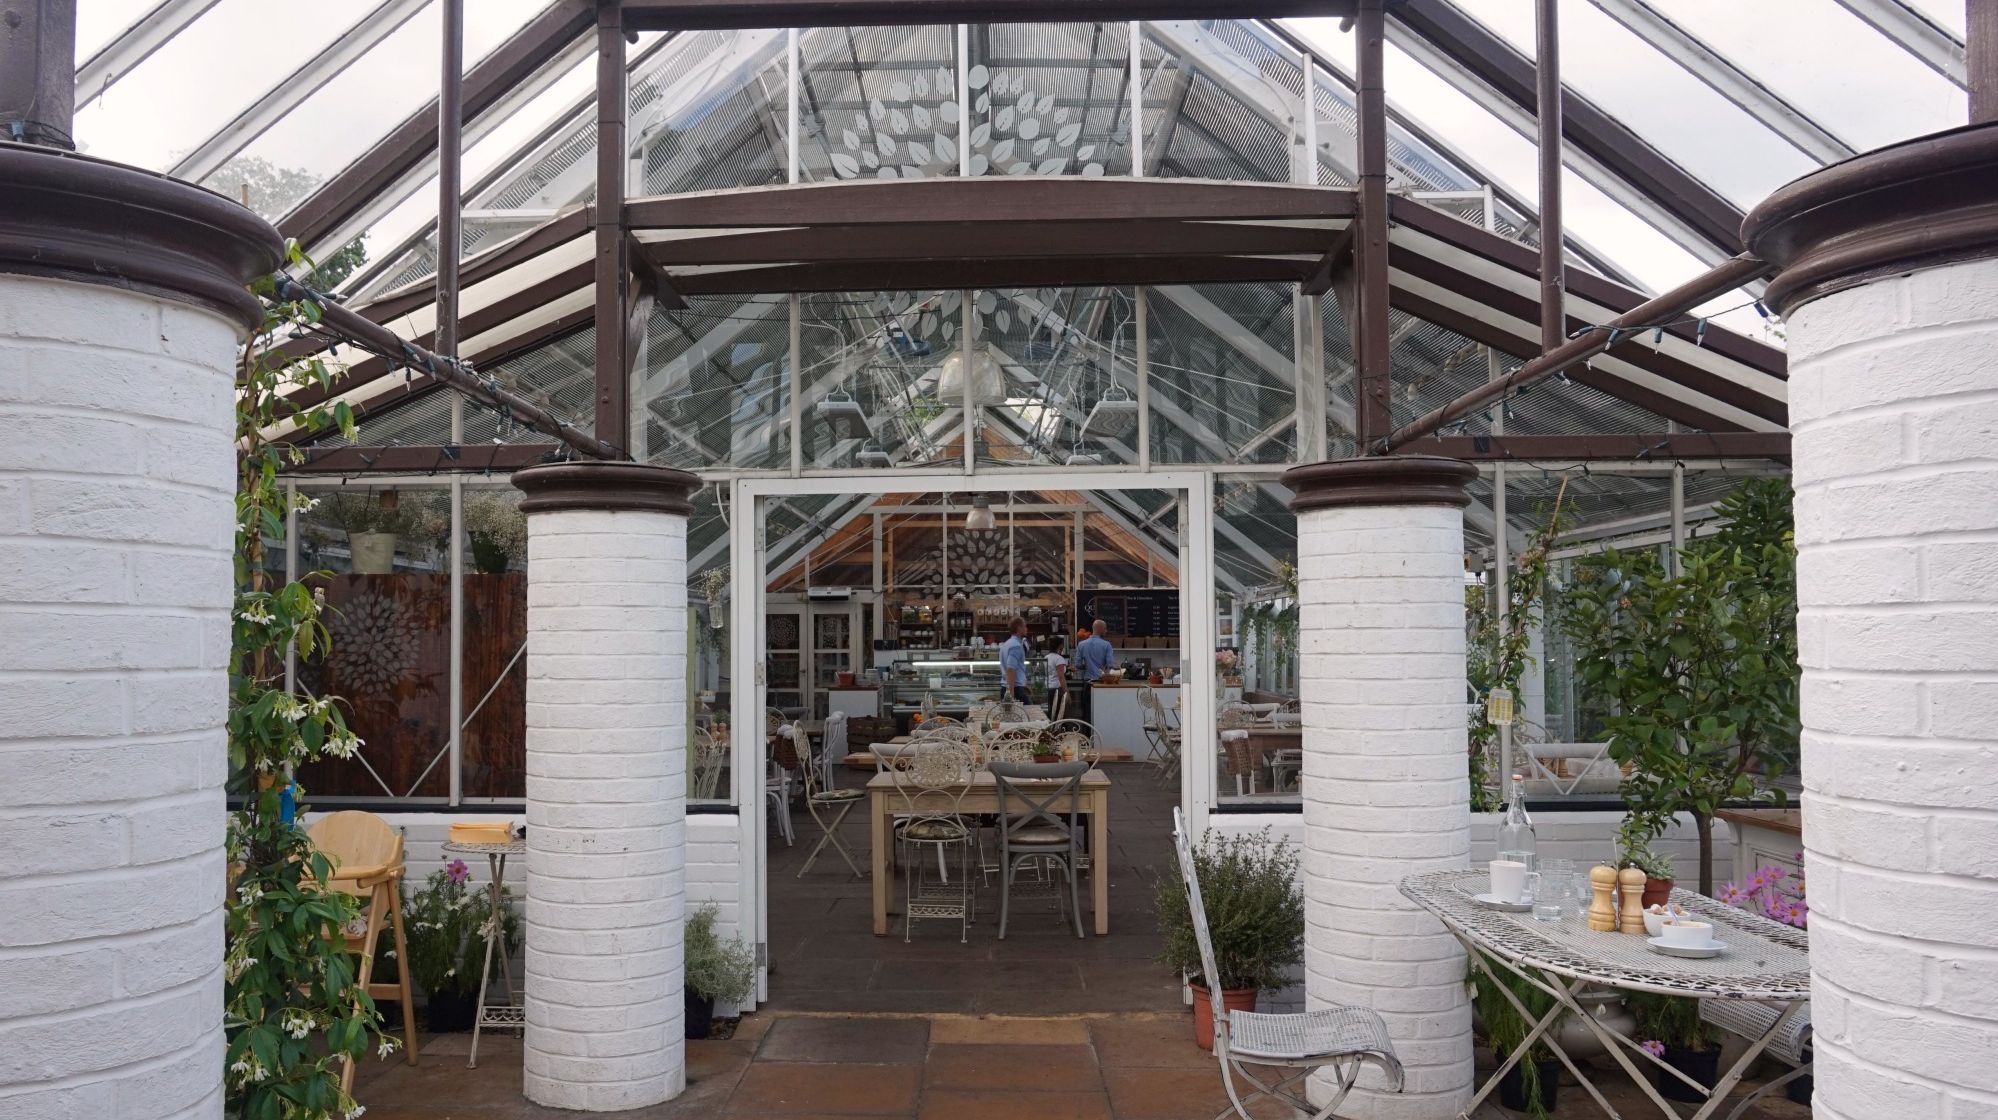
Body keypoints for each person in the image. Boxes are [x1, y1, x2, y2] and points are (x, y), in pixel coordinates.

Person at [1074, 620, 1116, 723]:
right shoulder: (1106, 645)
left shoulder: (1081, 644)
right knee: (1101, 712)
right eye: (1105, 629)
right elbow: (1110, 665)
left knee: (1087, 712)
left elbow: (1078, 665)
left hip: (1087, 683)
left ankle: (1087, 732)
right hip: (1101, 684)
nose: (1106, 631)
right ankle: (1099, 732)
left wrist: (1088, 666)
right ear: (1100, 629)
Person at [999, 615, 1032, 704]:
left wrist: (1023, 685)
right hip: (1015, 690)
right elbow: (1011, 669)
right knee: (1028, 712)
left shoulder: (1006, 644)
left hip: (1007, 688)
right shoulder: (1015, 646)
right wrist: (1011, 696)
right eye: (1024, 626)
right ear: (1019, 628)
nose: (1026, 628)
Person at [1044, 637, 1069, 713]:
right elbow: (1061, 677)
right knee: (1058, 713)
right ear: (1060, 645)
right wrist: (1067, 694)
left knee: (1050, 713)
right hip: (1056, 690)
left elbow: (1051, 671)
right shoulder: (1059, 658)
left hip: (1047, 688)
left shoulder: (1046, 657)